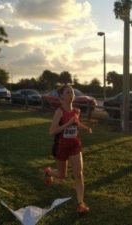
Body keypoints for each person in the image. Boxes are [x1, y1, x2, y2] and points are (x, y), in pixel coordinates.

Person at [44, 85, 92, 213]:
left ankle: (80, 203)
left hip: (75, 145)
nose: (71, 94)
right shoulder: (59, 112)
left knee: (78, 173)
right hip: (61, 147)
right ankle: (49, 172)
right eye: (68, 92)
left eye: (72, 92)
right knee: (62, 175)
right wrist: (67, 124)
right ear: (62, 97)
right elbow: (52, 131)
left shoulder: (76, 111)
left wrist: (85, 128)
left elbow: (76, 122)